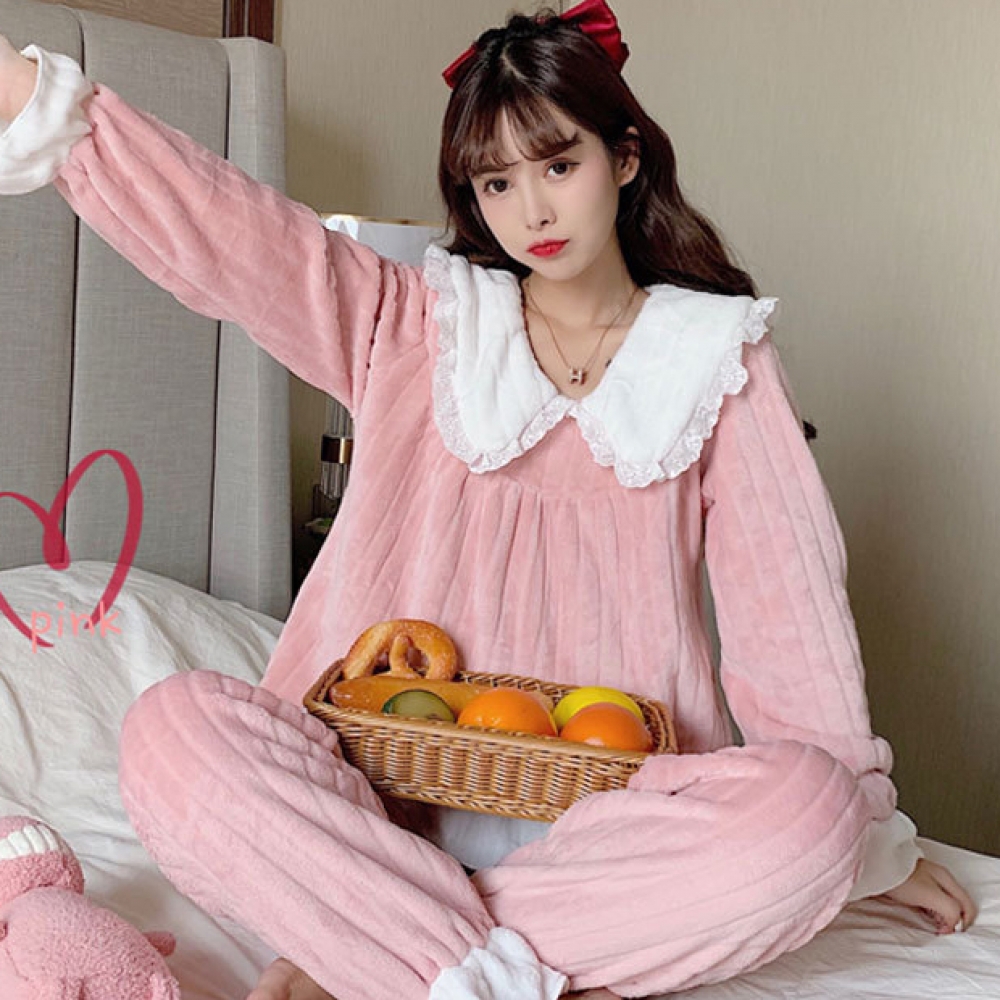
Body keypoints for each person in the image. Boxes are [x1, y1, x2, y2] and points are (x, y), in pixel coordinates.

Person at [0, 2, 977, 999]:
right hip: (368, 803)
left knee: (810, 812)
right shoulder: (413, 324)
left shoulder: (718, 359)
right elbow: (236, 238)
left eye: (559, 165)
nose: (533, 212)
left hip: (609, 834)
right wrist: (31, 97)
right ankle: (466, 964)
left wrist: (867, 842)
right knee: (172, 731)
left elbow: (790, 618)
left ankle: (383, 949)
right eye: (497, 182)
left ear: (624, 158)